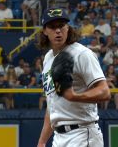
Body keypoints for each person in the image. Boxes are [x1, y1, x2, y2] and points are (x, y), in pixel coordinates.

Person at [37, 8, 110, 147]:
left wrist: (75, 96)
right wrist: (42, 141)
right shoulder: (48, 58)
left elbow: (105, 91)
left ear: (68, 28)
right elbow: (52, 104)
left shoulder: (81, 54)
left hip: (82, 133)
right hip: (59, 137)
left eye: (61, 26)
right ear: (45, 31)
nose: (58, 30)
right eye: (52, 27)